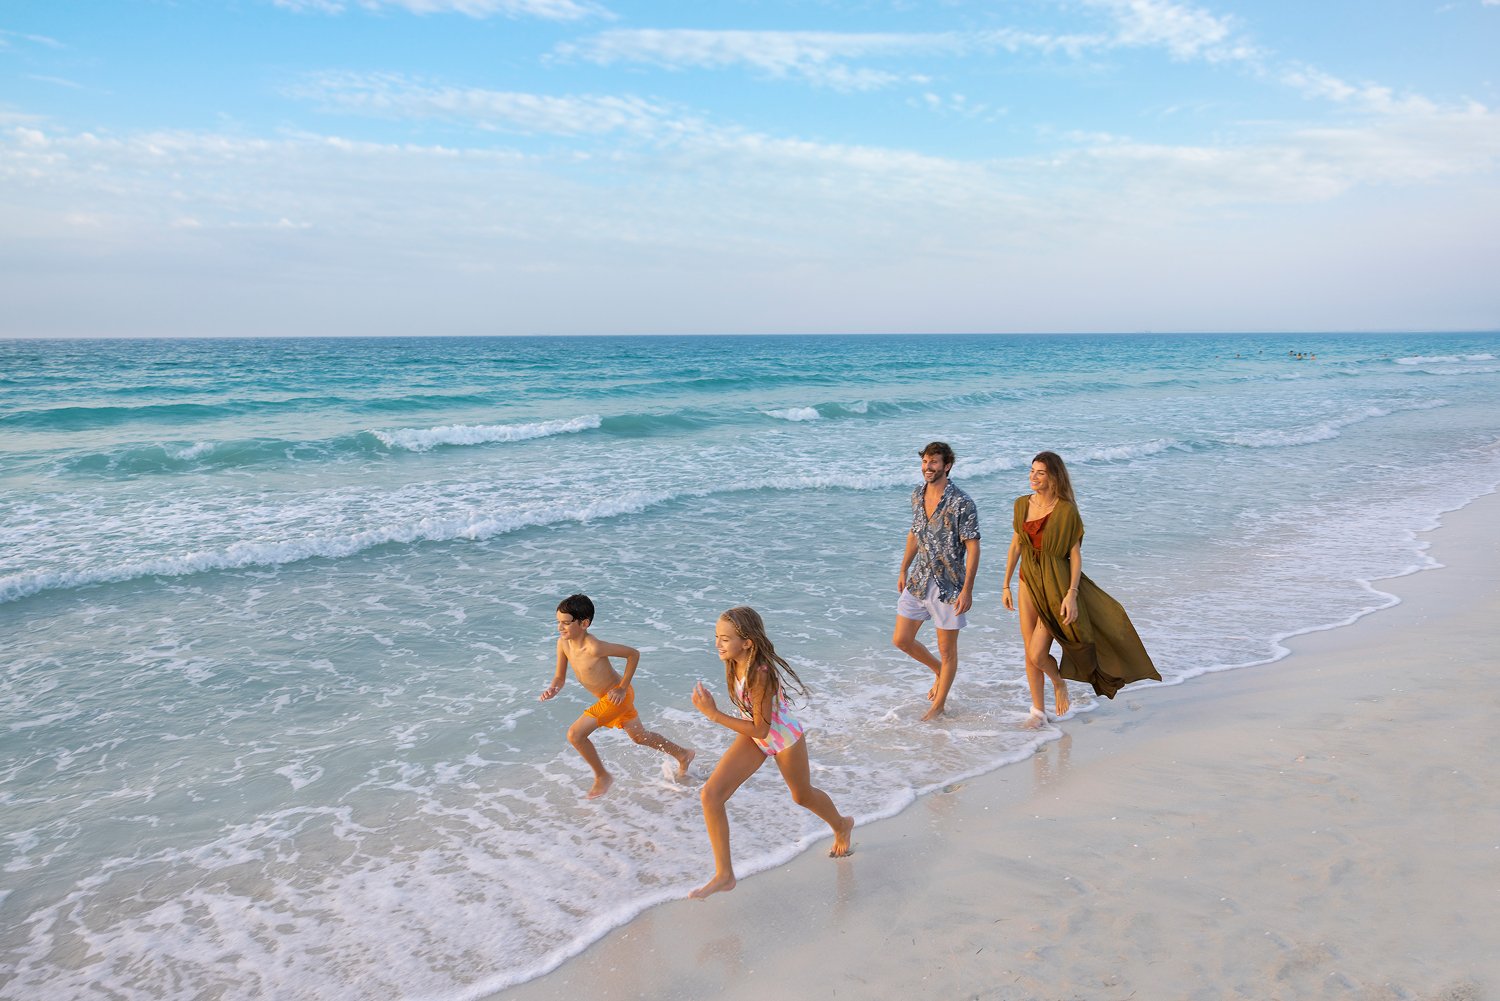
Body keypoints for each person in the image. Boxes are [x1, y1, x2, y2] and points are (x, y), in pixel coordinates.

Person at [689, 606, 854, 899]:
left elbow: (762, 730)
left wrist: (713, 714)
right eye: (717, 637)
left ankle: (842, 825)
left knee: (801, 795)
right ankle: (724, 874)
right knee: (710, 795)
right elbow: (753, 725)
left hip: (783, 737)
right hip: (755, 736)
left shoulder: (760, 674)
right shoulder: (735, 663)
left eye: (725, 639)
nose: (717, 644)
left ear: (747, 642)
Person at [1000, 452, 1160, 728]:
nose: (1033, 476)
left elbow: (1074, 556)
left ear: (1053, 477)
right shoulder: (1021, 505)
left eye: (1040, 472)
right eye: (1031, 471)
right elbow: (1016, 545)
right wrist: (1006, 584)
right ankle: (1037, 711)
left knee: (1039, 653)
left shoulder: (1066, 511)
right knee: (1029, 652)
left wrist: (1071, 593)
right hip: (1027, 583)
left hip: (1055, 587)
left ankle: (1059, 683)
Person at [539, 593, 694, 799]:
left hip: (616, 697)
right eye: (558, 622)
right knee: (640, 737)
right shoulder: (563, 644)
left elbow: (633, 654)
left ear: (584, 623)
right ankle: (683, 754)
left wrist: (622, 687)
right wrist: (553, 688)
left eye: (566, 623)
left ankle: (602, 776)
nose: (560, 628)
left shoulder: (594, 647)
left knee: (575, 735)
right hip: (615, 698)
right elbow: (559, 677)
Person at [893, 441, 981, 721]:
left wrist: (967, 589)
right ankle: (939, 671)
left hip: (949, 586)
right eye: (925, 462)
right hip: (919, 579)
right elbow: (914, 534)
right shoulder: (917, 495)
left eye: (933, 462)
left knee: (947, 650)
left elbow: (973, 547)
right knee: (902, 639)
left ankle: (938, 706)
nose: (927, 467)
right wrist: (903, 569)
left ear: (947, 466)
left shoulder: (962, 502)